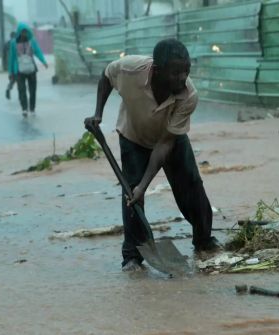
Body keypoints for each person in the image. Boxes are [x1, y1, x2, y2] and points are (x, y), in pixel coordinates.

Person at [84, 39, 221, 272]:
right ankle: (132, 257)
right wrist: (98, 113)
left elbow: (165, 144)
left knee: (192, 186)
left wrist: (145, 184)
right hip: (133, 135)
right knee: (132, 195)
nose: (182, 78)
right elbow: (106, 76)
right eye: (175, 72)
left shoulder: (188, 95)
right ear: (157, 71)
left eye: (186, 71)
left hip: (169, 138)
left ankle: (203, 241)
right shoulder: (130, 69)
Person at [9, 22, 48, 117]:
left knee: (33, 90)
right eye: (22, 32)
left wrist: (43, 61)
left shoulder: (32, 41)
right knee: (21, 90)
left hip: (31, 69)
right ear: (19, 32)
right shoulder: (14, 43)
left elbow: (37, 51)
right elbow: (12, 58)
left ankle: (32, 108)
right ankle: (24, 109)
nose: (24, 34)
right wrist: (11, 72)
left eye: (26, 32)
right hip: (19, 71)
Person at [3, 31, 16, 100]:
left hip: (9, 65)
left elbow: (4, 56)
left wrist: (4, 66)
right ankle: (21, 95)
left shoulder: (6, 44)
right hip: (16, 65)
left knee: (12, 79)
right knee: (20, 80)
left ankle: (8, 88)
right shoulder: (16, 43)